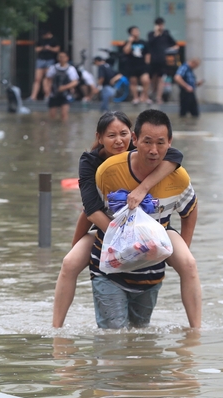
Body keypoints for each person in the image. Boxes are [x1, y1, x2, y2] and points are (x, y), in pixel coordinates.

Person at [52, 111, 202, 329]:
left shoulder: (153, 155)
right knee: (69, 263)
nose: (118, 141)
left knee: (188, 263)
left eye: (122, 134)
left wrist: (143, 188)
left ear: (131, 137)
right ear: (100, 138)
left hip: (155, 228)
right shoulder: (95, 165)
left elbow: (175, 157)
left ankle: (195, 331)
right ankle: (57, 329)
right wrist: (120, 236)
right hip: (108, 226)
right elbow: (90, 210)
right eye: (111, 135)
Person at [146, 18, 178, 104]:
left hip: (163, 60)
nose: (160, 26)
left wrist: (168, 50)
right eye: (158, 25)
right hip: (153, 60)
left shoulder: (166, 34)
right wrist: (156, 33)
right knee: (152, 78)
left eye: (161, 24)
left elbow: (175, 45)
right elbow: (149, 44)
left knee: (161, 78)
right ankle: (152, 93)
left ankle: (159, 97)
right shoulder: (151, 34)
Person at [45, 52, 79, 121]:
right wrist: (46, 89)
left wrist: (65, 87)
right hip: (54, 94)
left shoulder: (71, 69)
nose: (61, 58)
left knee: (64, 115)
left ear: (67, 58)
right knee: (52, 116)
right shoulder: (53, 68)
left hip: (65, 95)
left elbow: (75, 82)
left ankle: (64, 130)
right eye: (60, 57)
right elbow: (47, 79)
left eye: (63, 57)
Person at [121, 26, 150, 105]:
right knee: (133, 82)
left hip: (142, 65)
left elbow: (147, 54)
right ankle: (135, 98)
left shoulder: (143, 42)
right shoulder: (128, 42)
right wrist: (130, 42)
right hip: (132, 65)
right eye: (134, 31)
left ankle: (144, 96)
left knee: (146, 81)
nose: (136, 32)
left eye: (137, 30)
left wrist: (147, 64)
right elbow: (126, 51)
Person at [29, 30, 60, 102]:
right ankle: (33, 96)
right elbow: (36, 49)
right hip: (41, 60)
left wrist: (50, 48)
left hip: (50, 60)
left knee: (48, 79)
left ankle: (47, 94)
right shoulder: (41, 40)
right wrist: (43, 48)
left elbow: (57, 49)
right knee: (37, 79)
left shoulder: (54, 40)